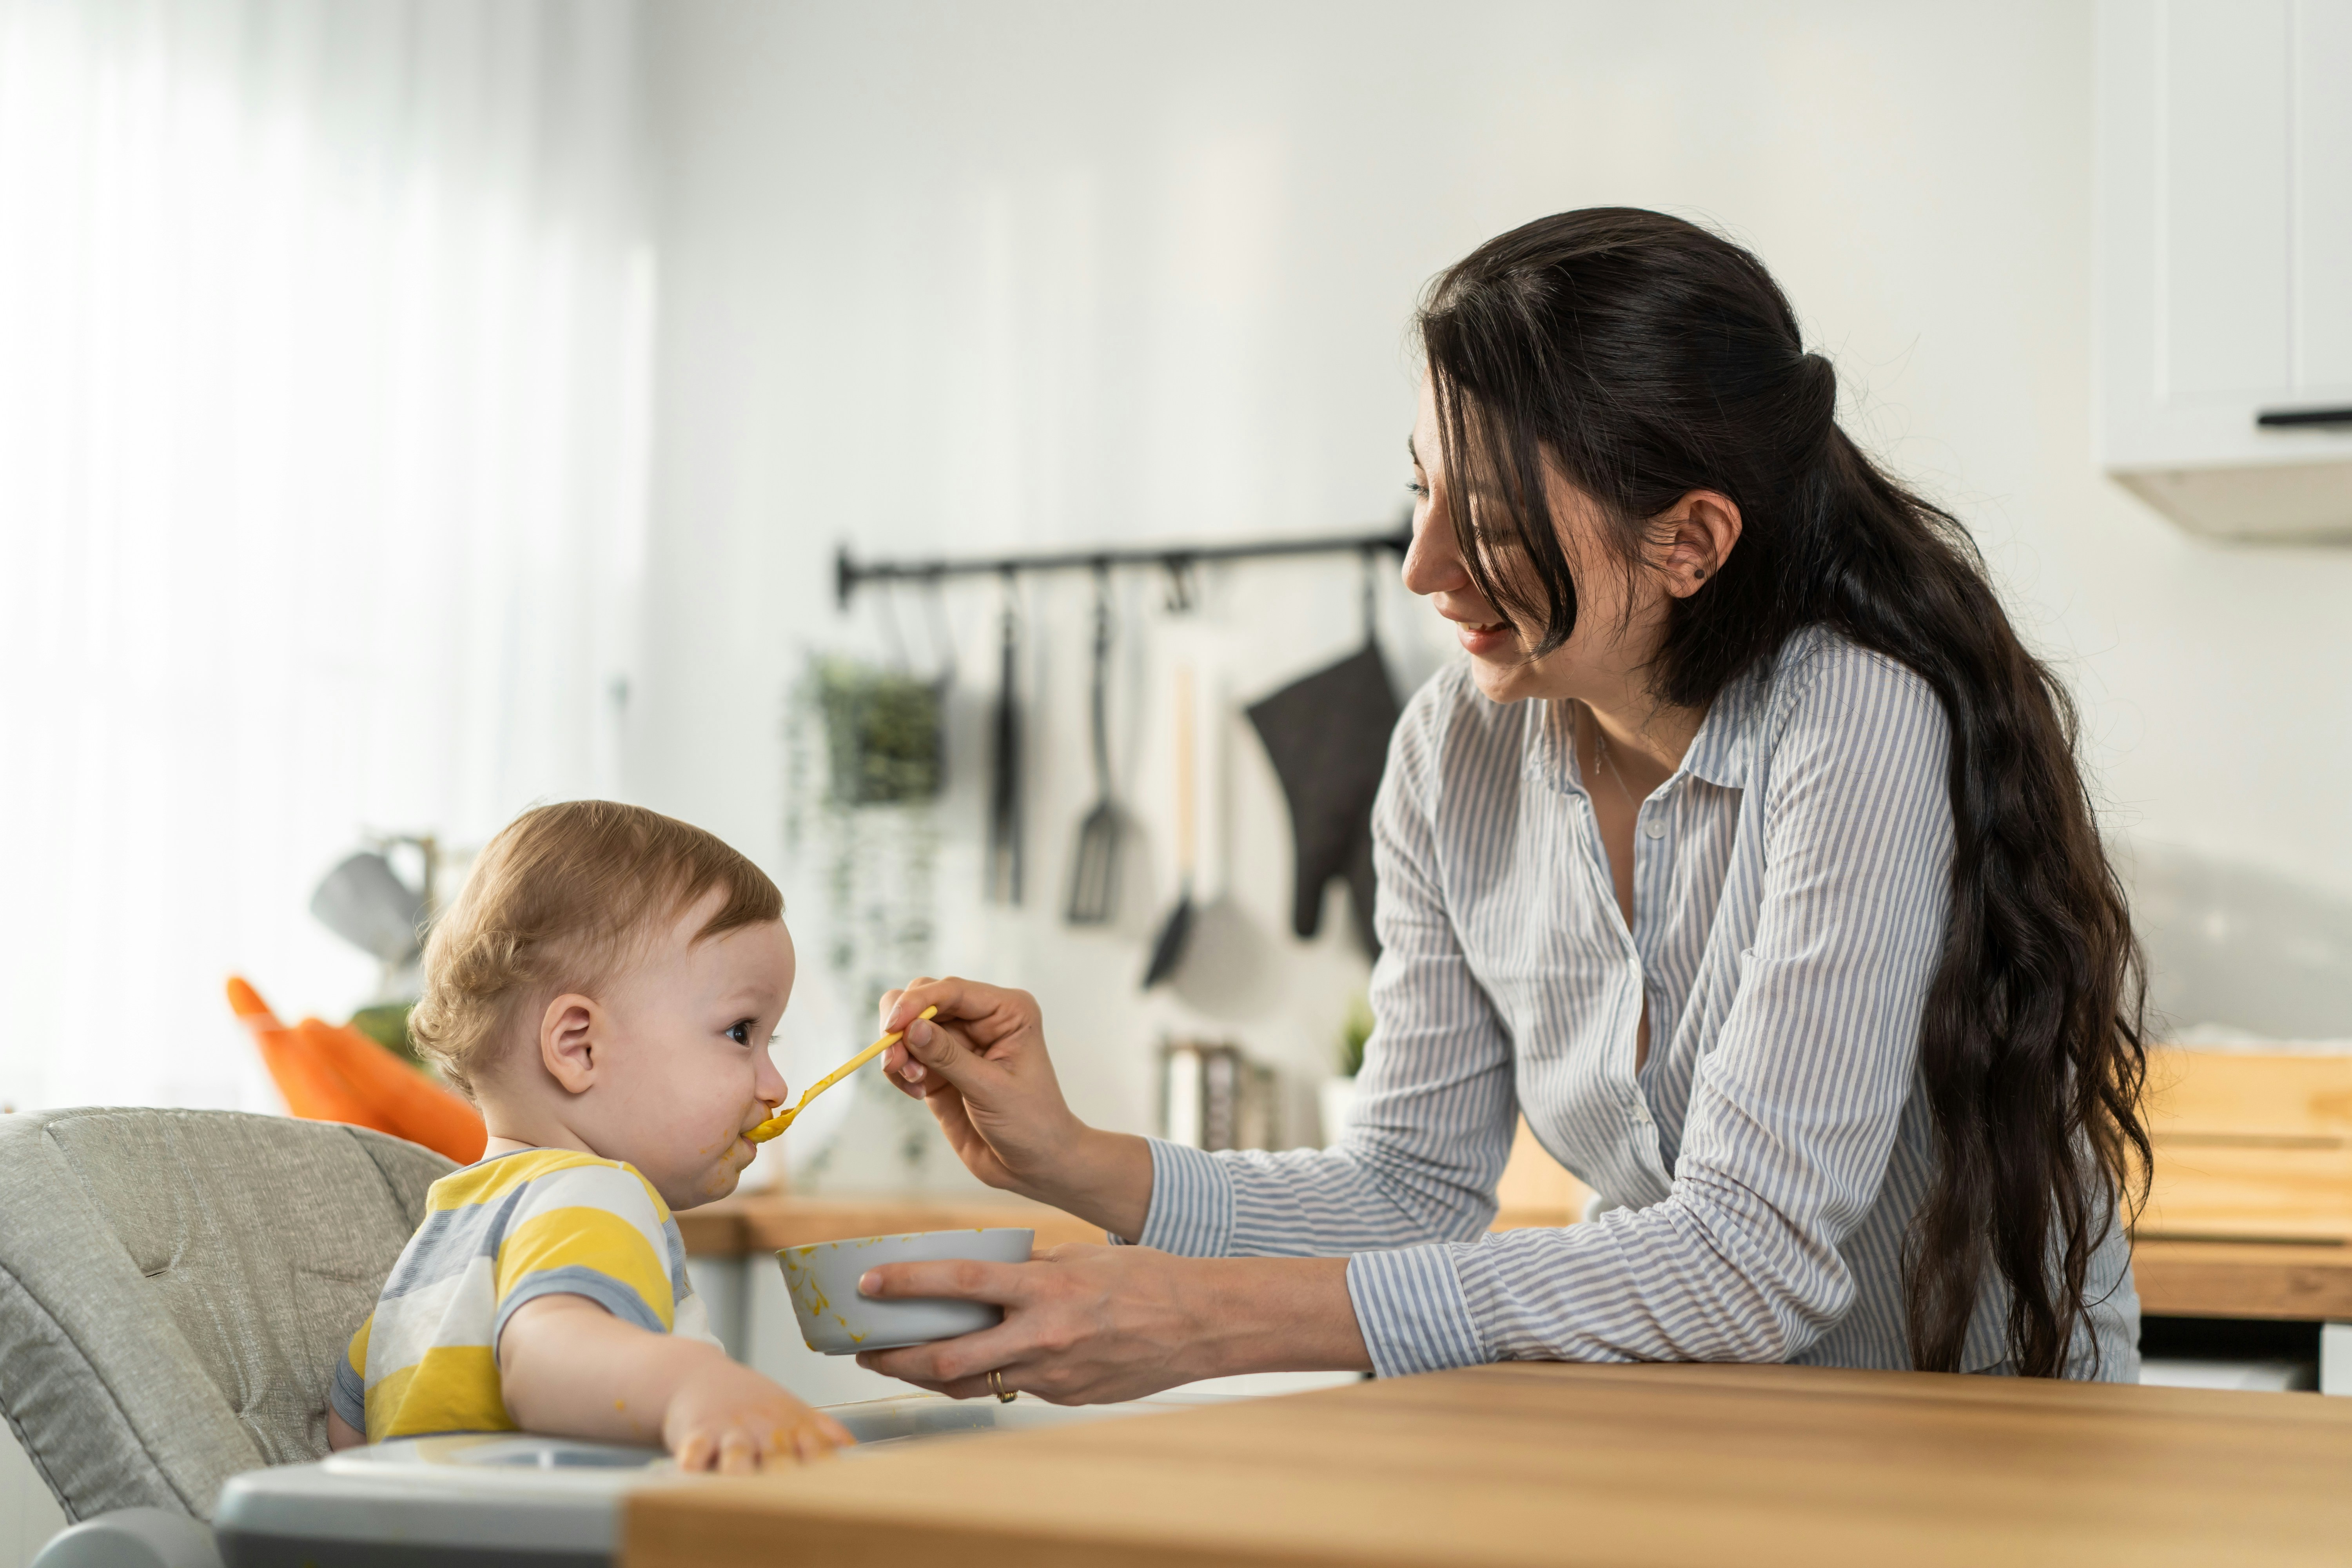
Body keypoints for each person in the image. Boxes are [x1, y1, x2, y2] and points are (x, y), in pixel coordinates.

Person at [851, 209, 2151, 1400]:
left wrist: (1217, 1321)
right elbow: (1409, 1189)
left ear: (1688, 543)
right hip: (1697, 1429)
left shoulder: (1849, 719)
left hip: (1970, 1436)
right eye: (1425, 493)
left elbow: (1751, 1259)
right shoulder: (1451, 756)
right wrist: (1071, 1161)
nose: (1424, 567)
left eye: (1485, 517)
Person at [326, 801, 850, 1469]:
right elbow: (544, 1363)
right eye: (741, 1033)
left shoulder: (446, 1228)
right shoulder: (598, 1193)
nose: (774, 1085)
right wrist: (698, 1386)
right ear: (579, 1047)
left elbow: (349, 1437)